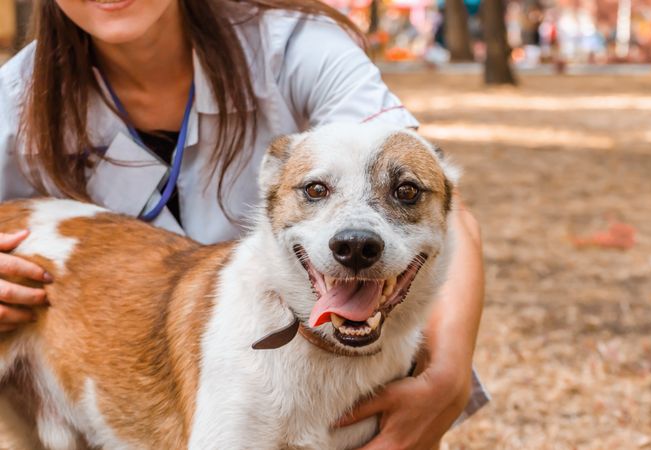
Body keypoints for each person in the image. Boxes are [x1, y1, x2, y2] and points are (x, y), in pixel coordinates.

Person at [0, 0, 488, 448]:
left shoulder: (294, 44)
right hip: (131, 333)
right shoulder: (18, 94)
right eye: (316, 189)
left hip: (254, 311)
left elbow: (443, 199)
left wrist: (446, 375)